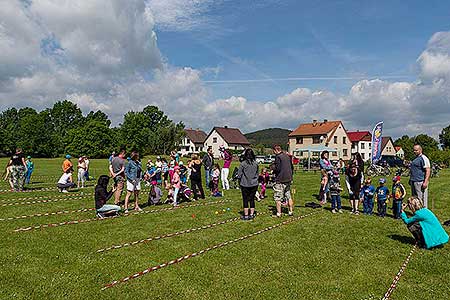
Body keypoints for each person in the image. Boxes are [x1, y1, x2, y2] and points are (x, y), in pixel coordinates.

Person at [272, 144, 294, 217]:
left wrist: (273, 170)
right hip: (288, 179)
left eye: (273, 151)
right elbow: (292, 167)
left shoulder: (278, 157)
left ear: (275, 150)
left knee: (278, 197)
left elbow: (277, 168)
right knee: (288, 195)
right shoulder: (287, 156)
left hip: (280, 179)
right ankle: (290, 211)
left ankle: (278, 213)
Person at [237, 148, 259, 220]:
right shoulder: (256, 163)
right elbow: (257, 174)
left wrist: (239, 182)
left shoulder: (243, 164)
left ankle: (246, 215)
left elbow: (239, 175)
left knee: (245, 199)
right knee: (252, 199)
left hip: (245, 184)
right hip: (254, 184)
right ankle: (252, 214)